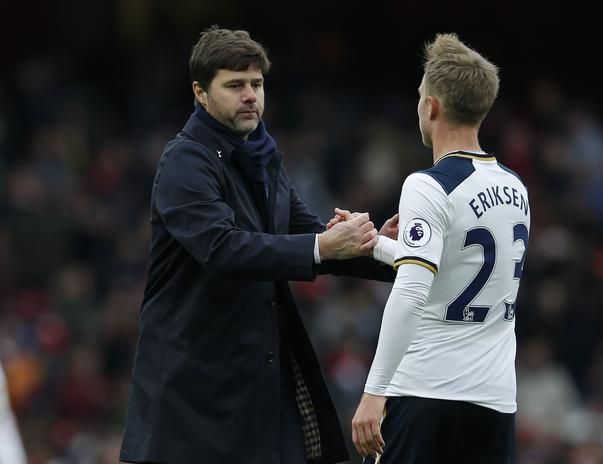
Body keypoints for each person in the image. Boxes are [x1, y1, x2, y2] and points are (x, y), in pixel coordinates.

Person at [119, 26, 396, 464]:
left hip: (257, 388)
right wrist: (324, 246)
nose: (250, 95)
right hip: (194, 401)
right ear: (200, 93)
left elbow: (306, 231)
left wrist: (389, 251)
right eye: (234, 85)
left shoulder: (263, 155)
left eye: (257, 84)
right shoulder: (184, 161)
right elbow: (224, 249)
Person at [350, 33, 530, 463]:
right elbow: (455, 273)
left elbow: (413, 292)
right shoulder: (516, 188)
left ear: (431, 107)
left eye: (419, 96)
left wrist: (374, 392)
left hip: (424, 395)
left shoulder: (428, 185)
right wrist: (375, 246)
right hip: (494, 401)